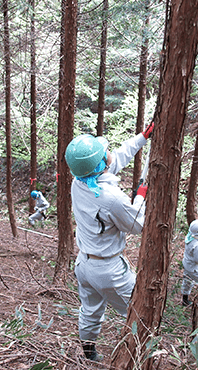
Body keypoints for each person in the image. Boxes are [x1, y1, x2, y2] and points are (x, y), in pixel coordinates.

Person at [65, 121, 153, 361]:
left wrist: (142, 137)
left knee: (90, 311)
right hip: (109, 271)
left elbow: (117, 159)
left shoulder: (80, 182)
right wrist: (140, 197)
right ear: (101, 163)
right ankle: (137, 358)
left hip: (84, 265)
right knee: (139, 312)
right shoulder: (111, 198)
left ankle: (88, 353)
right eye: (105, 152)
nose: (109, 153)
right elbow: (137, 224)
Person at [181, 218, 198, 306]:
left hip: (187, 264)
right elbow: (197, 260)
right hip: (194, 268)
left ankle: (184, 299)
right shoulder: (197, 245)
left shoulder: (189, 237)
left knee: (187, 282)